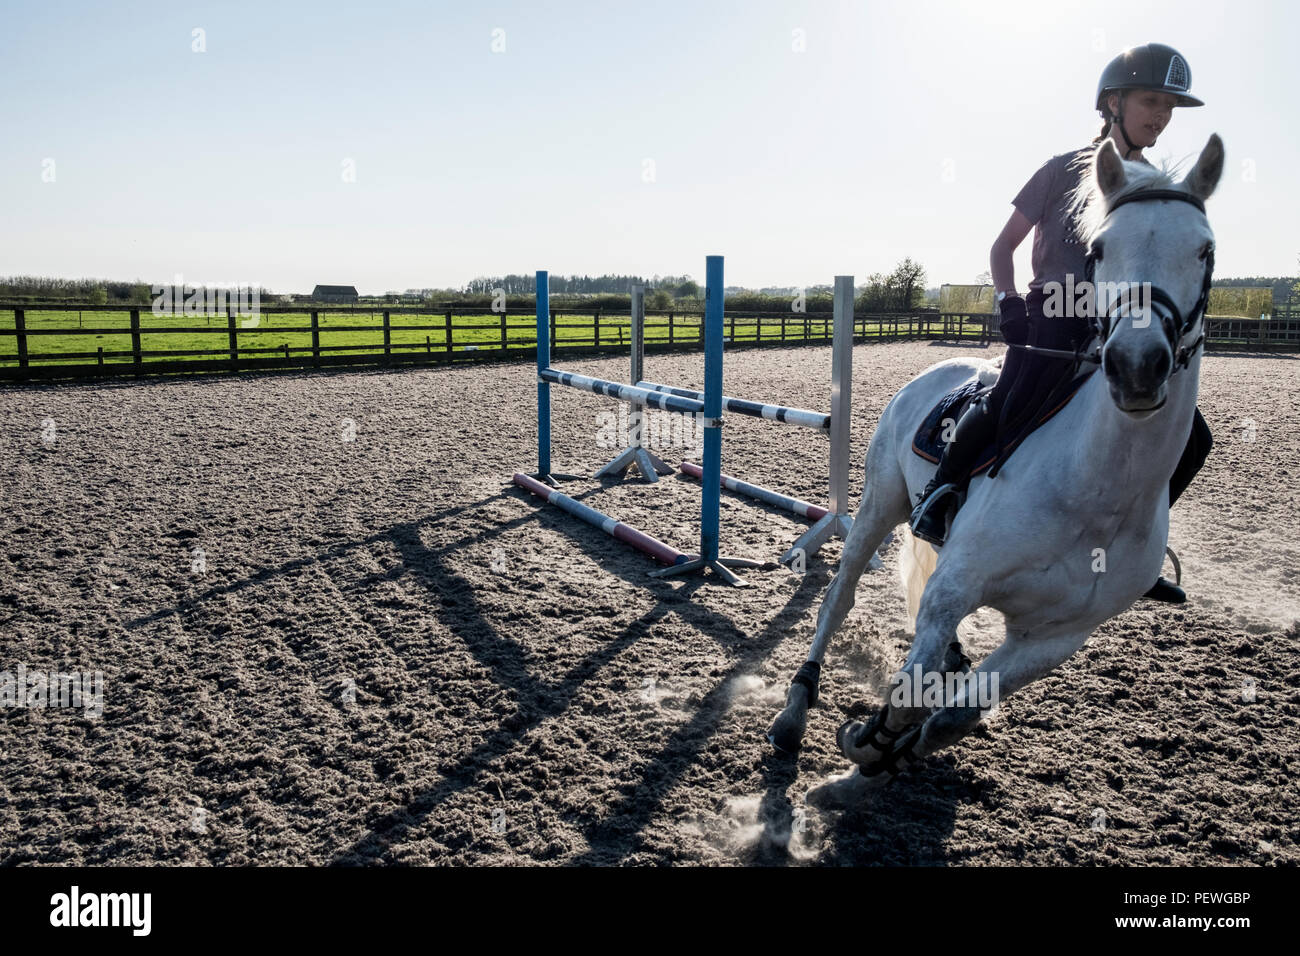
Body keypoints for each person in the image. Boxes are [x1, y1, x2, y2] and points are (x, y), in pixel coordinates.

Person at [908, 42, 1213, 604]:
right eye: (1152, 101)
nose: (1162, 116)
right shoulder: (1059, 170)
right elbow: (1003, 248)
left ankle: (1134, 551)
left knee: (1194, 436)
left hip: (1115, 327)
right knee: (1006, 400)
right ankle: (941, 495)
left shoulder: (1156, 187)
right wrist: (1009, 304)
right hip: (1049, 317)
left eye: (1170, 108)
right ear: (1113, 102)